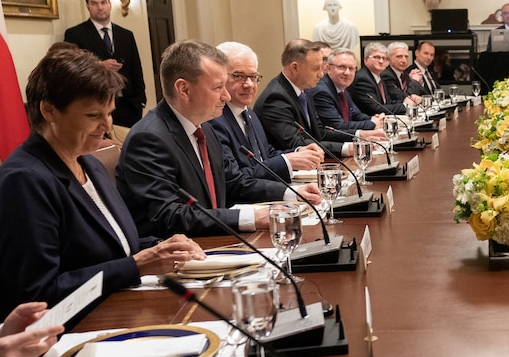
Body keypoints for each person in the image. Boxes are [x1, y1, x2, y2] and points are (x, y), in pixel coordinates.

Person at [0, 48, 205, 323]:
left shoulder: (89, 164)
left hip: (117, 313)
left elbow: (114, 244)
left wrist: (164, 245)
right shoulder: (24, 182)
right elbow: (39, 296)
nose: (107, 126)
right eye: (93, 115)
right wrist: (136, 265)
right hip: (69, 336)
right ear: (49, 110)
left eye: (110, 113)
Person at [118, 40, 320, 237]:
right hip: (178, 255)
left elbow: (234, 183)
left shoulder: (204, 126)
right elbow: (169, 216)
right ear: (184, 89)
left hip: (215, 239)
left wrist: (293, 194)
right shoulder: (149, 139)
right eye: (217, 87)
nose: (226, 96)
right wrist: (251, 218)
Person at [208, 41, 324, 182]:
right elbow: (234, 178)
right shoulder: (214, 120)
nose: (249, 84)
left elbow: (266, 154)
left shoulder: (249, 114)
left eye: (253, 76)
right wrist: (287, 162)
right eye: (238, 76)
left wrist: (298, 153)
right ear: (220, 78)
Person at [253, 39, 373, 160]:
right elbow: (297, 143)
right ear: (295, 67)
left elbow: (320, 132)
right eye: (316, 69)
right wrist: (345, 149)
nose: (321, 74)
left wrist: (357, 137)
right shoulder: (275, 98)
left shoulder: (305, 90)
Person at [63, 0, 146, 130]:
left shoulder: (126, 35)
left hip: (129, 106)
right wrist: (99, 66)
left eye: (103, 2)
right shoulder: (75, 34)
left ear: (109, 4)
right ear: (88, 6)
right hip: (96, 105)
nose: (100, 7)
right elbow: (71, 71)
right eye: (94, 3)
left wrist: (140, 101)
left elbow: (136, 68)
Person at [309, 47, 386, 140]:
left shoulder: (342, 88)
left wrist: (373, 119)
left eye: (351, 68)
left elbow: (355, 114)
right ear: (328, 69)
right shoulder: (322, 91)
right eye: (342, 67)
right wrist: (373, 123)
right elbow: (337, 126)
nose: (347, 73)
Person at [352, 43, 409, 115]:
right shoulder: (362, 79)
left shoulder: (379, 78)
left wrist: (407, 102)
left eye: (384, 58)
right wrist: (405, 106)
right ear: (366, 60)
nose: (381, 61)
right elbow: (376, 108)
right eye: (377, 57)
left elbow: (387, 102)